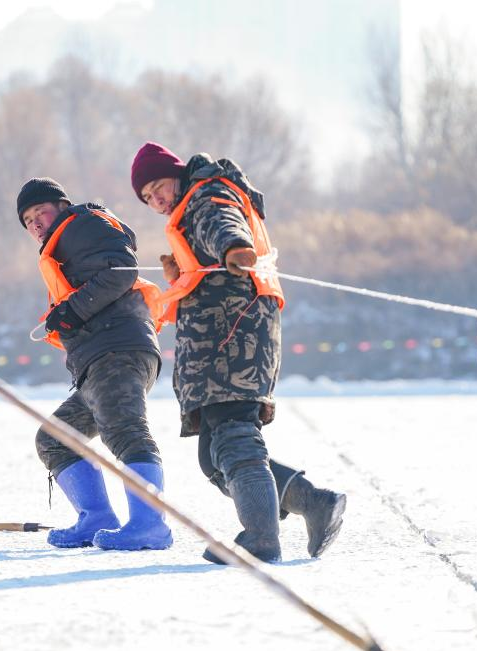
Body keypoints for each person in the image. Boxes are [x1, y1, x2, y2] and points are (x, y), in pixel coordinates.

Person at [130, 142, 346, 563]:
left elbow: (224, 223)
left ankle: (261, 539)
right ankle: (313, 502)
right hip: (213, 342)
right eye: (146, 196)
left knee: (232, 437)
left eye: (158, 187)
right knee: (213, 456)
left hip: (235, 335)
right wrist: (185, 272)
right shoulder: (187, 207)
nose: (155, 199)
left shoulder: (207, 195)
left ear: (176, 174)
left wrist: (233, 248)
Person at [17, 177, 172, 551]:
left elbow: (121, 270)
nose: (36, 223)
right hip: (97, 360)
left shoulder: (82, 225)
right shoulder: (64, 243)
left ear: (63, 205)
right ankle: (96, 519)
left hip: (117, 348)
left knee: (125, 431)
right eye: (28, 220)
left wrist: (72, 310)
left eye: (41, 212)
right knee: (55, 441)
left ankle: (150, 525)